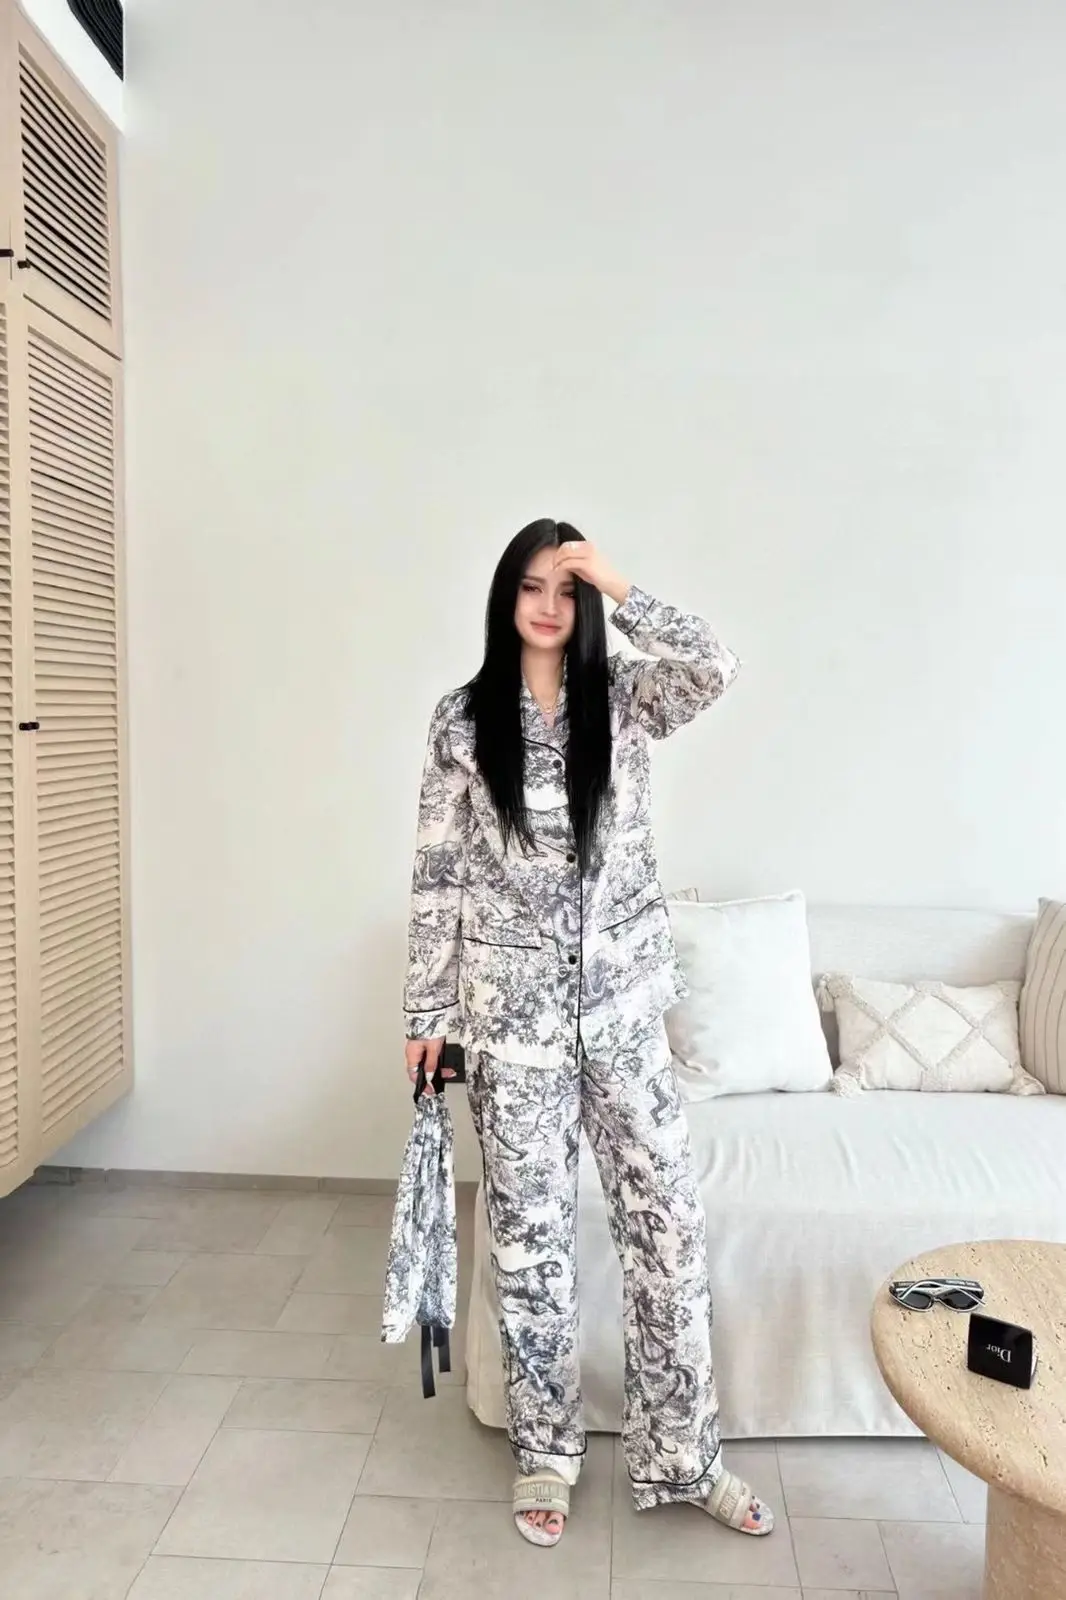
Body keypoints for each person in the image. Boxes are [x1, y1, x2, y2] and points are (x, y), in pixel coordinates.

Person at [403, 518, 774, 1548]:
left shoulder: (626, 699)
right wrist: (426, 1016)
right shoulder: (460, 721)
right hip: (511, 1029)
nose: (548, 605)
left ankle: (685, 1454)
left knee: (669, 1232)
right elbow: (438, 877)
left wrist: (617, 580)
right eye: (532, 585)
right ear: (505, 597)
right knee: (531, 1251)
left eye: (565, 589)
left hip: (623, 1018)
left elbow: (714, 664)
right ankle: (545, 1452)